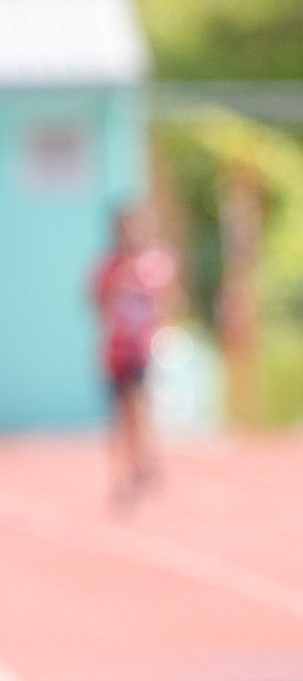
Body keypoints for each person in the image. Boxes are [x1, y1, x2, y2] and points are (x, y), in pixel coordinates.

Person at [91, 209, 177, 509]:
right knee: (119, 417)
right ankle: (123, 476)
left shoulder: (152, 264)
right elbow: (95, 301)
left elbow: (167, 298)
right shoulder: (109, 267)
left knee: (140, 407)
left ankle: (144, 461)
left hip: (141, 350)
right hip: (115, 352)